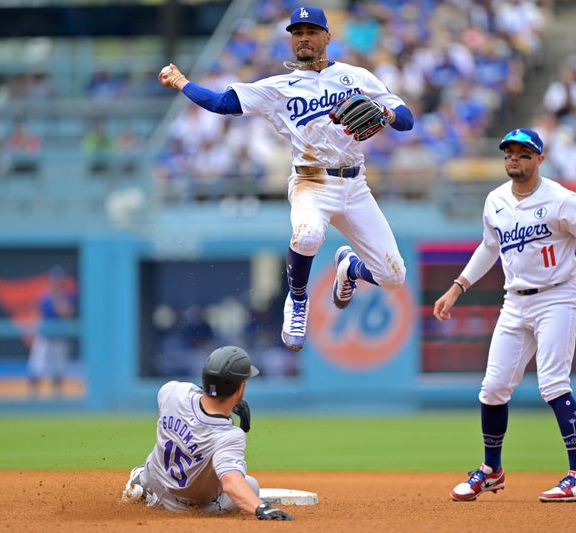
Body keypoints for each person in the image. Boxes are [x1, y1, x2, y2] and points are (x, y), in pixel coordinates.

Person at [157, 6, 414, 351]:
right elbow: (221, 103)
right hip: (311, 182)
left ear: (327, 36)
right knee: (307, 234)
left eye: (310, 31)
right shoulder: (279, 87)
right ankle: (297, 300)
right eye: (297, 33)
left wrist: (386, 113)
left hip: (355, 186)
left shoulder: (357, 77)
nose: (303, 38)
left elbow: (407, 119)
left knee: (394, 278)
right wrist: (182, 82)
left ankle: (349, 269)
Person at [433, 128, 576, 503]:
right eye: (509, 153)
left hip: (558, 298)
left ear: (540, 159)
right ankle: (491, 471)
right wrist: (456, 288)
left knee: (553, 384)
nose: (514, 159)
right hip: (515, 301)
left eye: (523, 153)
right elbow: (489, 247)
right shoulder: (495, 200)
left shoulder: (562, 200)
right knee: (492, 389)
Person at [121, 346, 292, 521]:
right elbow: (231, 482)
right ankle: (161, 502)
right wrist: (261, 508)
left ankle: (142, 483)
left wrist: (228, 400)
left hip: (154, 477)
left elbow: (199, 394)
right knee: (251, 485)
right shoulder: (229, 436)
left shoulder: (172, 392)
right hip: (182, 507)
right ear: (240, 389)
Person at [27, 265, 76, 397]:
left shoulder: (67, 296)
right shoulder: (43, 296)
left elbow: (67, 314)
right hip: (44, 336)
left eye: (58, 280)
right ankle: (33, 395)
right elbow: (36, 314)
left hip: (59, 337)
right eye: (54, 280)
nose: (56, 283)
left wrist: (58, 298)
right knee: (37, 366)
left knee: (59, 369)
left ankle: (57, 396)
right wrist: (32, 331)